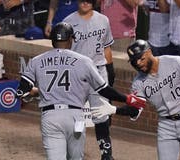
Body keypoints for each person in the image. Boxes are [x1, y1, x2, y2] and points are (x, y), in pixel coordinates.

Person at [16, 22, 145, 160]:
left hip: (50, 118)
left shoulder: (36, 61)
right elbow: (104, 90)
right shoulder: (83, 61)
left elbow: (22, 91)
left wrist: (34, 93)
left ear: (52, 40)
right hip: (75, 117)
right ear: (70, 39)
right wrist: (127, 98)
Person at [92, 39, 180, 160]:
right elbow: (135, 110)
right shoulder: (139, 83)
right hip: (166, 125)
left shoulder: (175, 62)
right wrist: (114, 110)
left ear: (149, 52)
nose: (138, 63)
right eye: (134, 61)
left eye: (141, 58)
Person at [62, 1, 142, 159]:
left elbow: (106, 47)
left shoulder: (103, 20)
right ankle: (73, 152)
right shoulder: (67, 22)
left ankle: (107, 154)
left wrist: (110, 69)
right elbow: (63, 52)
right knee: (75, 115)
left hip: (99, 72)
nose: (85, 3)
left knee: (102, 114)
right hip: (77, 74)